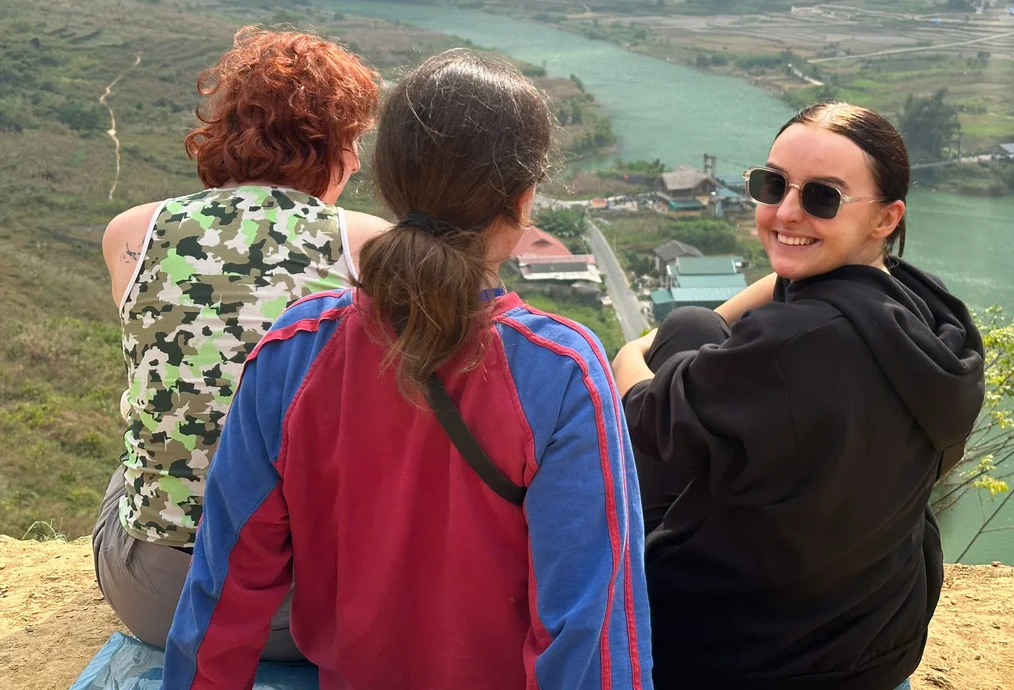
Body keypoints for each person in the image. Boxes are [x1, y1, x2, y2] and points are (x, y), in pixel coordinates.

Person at [161, 51, 651, 689]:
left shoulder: (295, 350)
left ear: (391, 185)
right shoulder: (560, 371)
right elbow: (591, 631)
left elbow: (225, 587)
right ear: (525, 200)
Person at [613, 102, 985, 690]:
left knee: (679, 339)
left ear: (887, 218)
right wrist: (719, 316)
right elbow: (789, 282)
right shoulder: (931, 311)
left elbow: (642, 413)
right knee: (697, 329)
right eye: (773, 184)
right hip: (877, 638)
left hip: (751, 652)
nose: (786, 210)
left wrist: (631, 353)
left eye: (823, 198)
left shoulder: (791, 349)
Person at [93, 27, 390, 658]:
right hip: (322, 607)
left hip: (162, 604)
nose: (358, 162)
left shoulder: (133, 231)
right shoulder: (371, 245)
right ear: (327, 141)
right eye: (354, 141)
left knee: (136, 449)